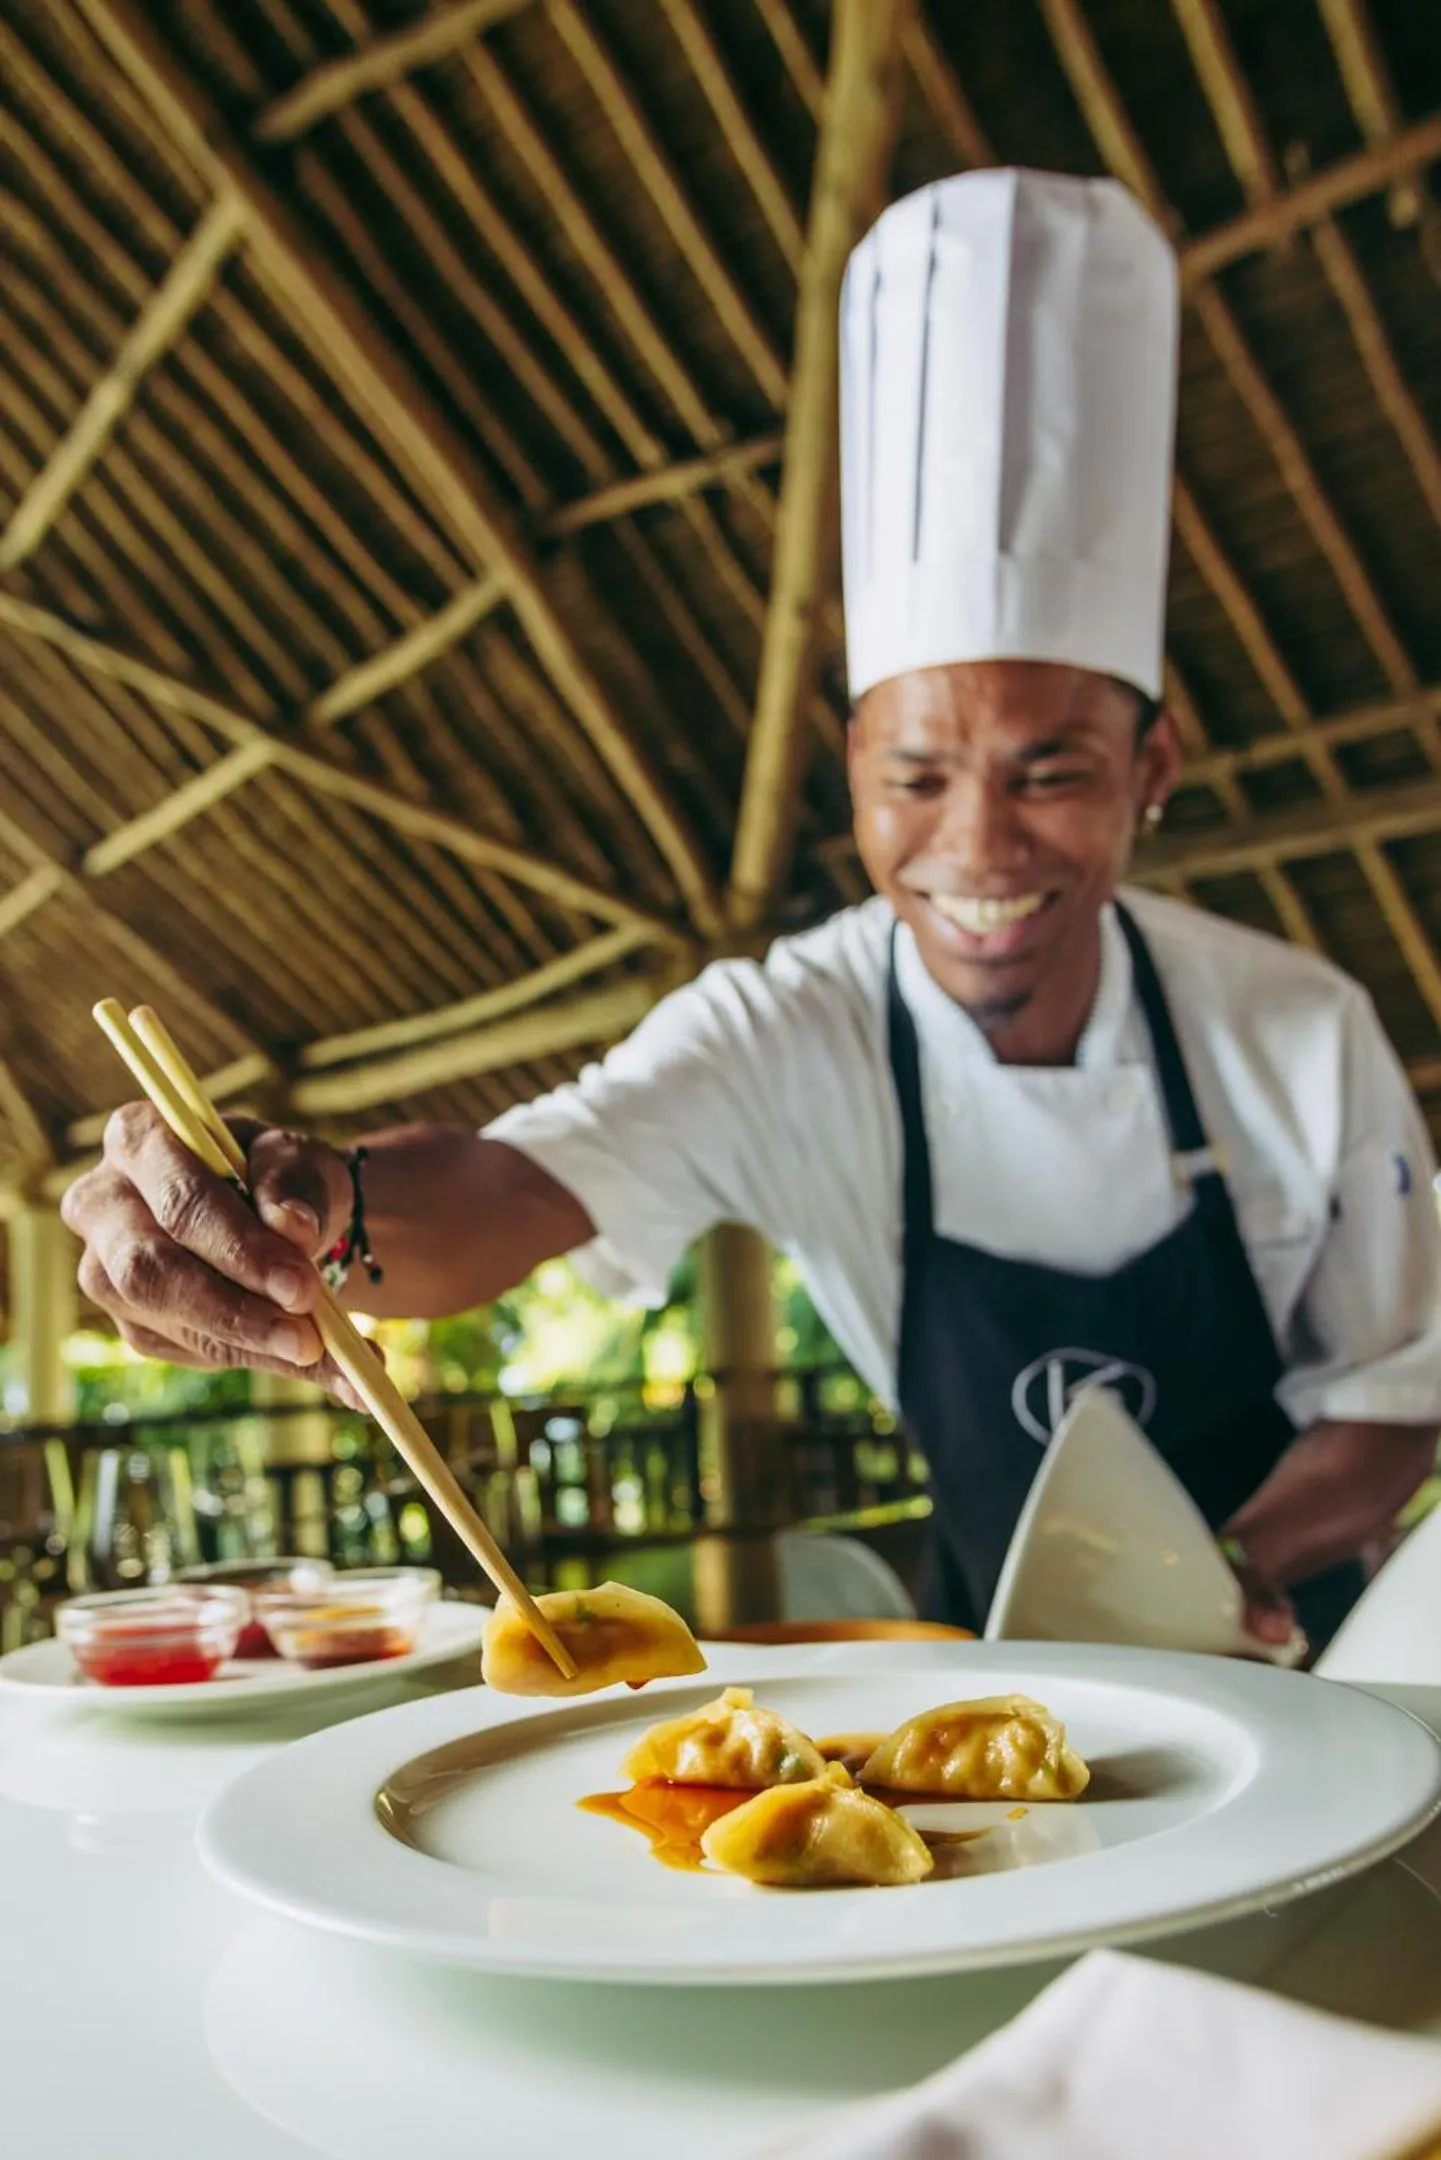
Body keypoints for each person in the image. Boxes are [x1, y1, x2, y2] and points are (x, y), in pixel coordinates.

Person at [62, 170, 1440, 1651]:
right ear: (850, 768)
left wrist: (1197, 1579)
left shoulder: (1298, 1031)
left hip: (1309, 1661)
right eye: (914, 775)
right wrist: (315, 1209)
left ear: (1150, 766)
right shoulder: (797, 1029)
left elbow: (1398, 1400)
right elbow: (512, 1194)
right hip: (1009, 1680)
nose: (977, 847)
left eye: (1049, 773)